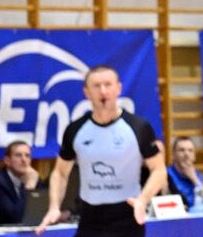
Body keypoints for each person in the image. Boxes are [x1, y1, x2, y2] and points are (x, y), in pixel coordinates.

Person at [37, 65, 166, 236]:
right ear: (86, 92)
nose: (103, 91)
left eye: (108, 84)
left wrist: (142, 200)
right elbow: (60, 173)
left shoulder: (138, 127)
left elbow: (159, 170)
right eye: (96, 86)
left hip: (128, 216)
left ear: (118, 88)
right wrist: (54, 207)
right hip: (90, 218)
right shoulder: (75, 130)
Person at [0, 140, 46, 224]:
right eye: (18, 155)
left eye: (27, 156)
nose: (24, 160)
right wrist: (29, 187)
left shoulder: (35, 179)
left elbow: (43, 210)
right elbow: (15, 218)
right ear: (7, 160)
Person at [164, 137, 203, 210]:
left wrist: (194, 179)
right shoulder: (166, 174)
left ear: (194, 156)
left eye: (190, 150)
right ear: (173, 154)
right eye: (181, 150)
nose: (186, 154)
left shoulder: (196, 175)